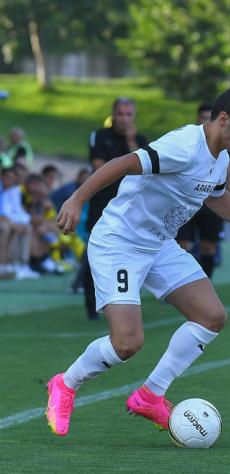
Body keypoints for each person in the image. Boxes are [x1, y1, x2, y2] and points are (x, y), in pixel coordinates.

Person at [45, 86, 230, 437]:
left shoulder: (220, 157)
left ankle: (150, 396)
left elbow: (218, 198)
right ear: (223, 119)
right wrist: (76, 199)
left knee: (211, 316)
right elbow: (123, 163)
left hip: (158, 245)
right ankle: (65, 383)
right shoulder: (184, 146)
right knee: (127, 344)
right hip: (119, 242)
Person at [83, 98, 150, 319]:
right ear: (113, 115)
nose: (124, 119)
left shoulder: (140, 141)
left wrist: (131, 141)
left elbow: (146, 173)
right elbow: (98, 169)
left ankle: (124, 303)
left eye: (128, 115)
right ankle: (91, 305)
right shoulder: (100, 136)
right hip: (103, 205)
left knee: (130, 255)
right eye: (120, 114)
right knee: (93, 254)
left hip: (131, 210)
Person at [176, 102, 230, 279]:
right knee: (183, 244)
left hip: (211, 203)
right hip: (187, 201)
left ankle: (206, 284)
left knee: (208, 246)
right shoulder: (188, 143)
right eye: (203, 117)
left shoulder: (224, 148)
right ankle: (177, 286)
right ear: (197, 119)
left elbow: (229, 173)